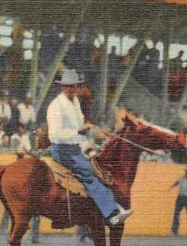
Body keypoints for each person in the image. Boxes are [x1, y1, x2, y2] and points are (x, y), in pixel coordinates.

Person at [47, 69, 131, 226]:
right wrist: (78, 131)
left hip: (76, 145)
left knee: (101, 164)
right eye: (68, 86)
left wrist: (95, 130)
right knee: (89, 173)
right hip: (62, 150)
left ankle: (101, 208)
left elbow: (81, 127)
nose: (71, 89)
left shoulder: (76, 102)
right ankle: (111, 213)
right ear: (62, 87)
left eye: (74, 86)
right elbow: (54, 135)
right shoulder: (56, 106)